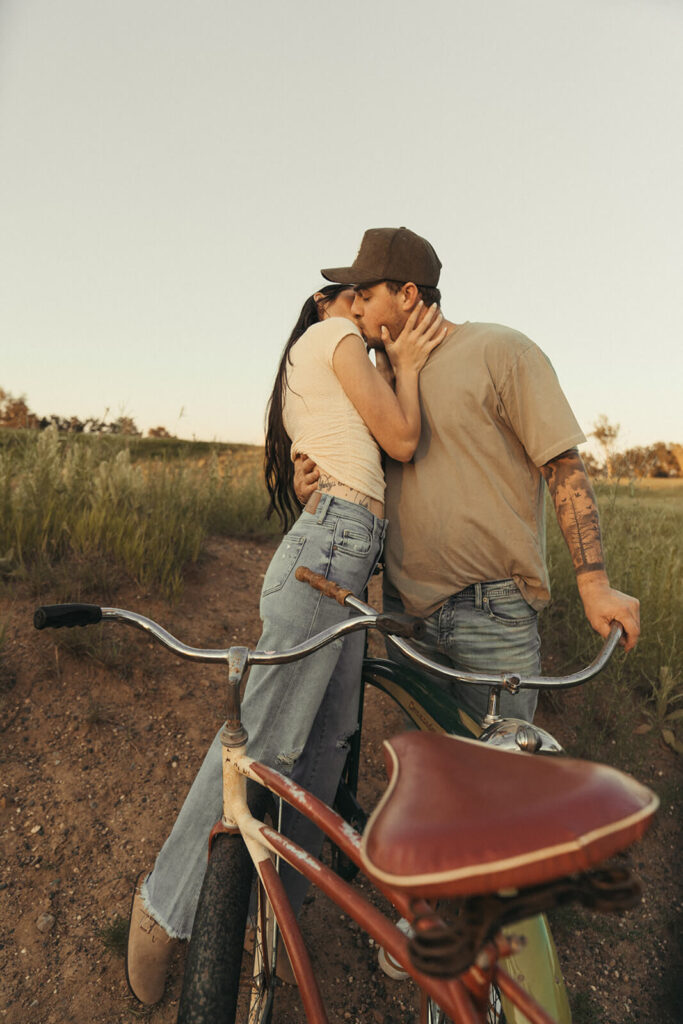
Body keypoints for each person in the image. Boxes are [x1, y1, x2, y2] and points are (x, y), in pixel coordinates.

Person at [125, 281, 447, 1004]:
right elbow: (401, 440)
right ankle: (163, 910)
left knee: (326, 752)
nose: (367, 305)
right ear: (327, 299)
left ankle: (277, 919)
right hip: (330, 554)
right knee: (264, 736)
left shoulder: (337, 361)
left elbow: (364, 457)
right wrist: (415, 365)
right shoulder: (331, 337)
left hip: (345, 555)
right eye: (356, 293)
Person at [296, 226, 641, 731]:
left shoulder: (501, 351)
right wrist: (316, 487)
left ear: (408, 294)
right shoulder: (375, 380)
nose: (357, 310)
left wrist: (595, 584)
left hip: (494, 612)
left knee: (503, 783)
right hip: (404, 613)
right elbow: (363, 476)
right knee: (431, 774)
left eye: (367, 296)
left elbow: (562, 465)